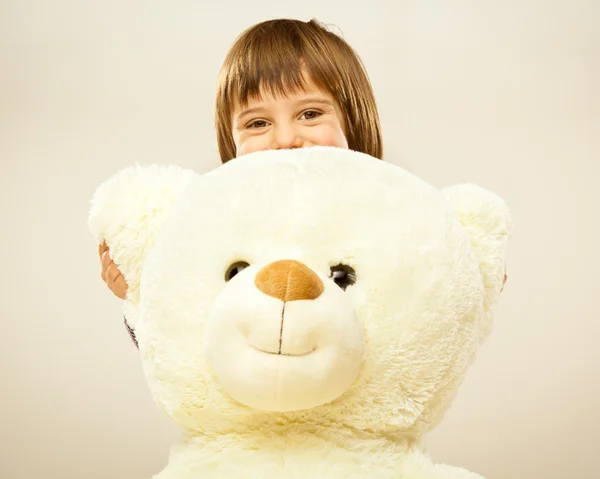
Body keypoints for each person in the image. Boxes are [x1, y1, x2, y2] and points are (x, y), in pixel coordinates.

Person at [97, 18, 384, 344]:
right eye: (258, 122)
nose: (286, 138)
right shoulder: (218, 234)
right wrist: (142, 297)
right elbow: (185, 349)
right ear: (231, 147)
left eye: (310, 114)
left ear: (355, 124)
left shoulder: (387, 224)